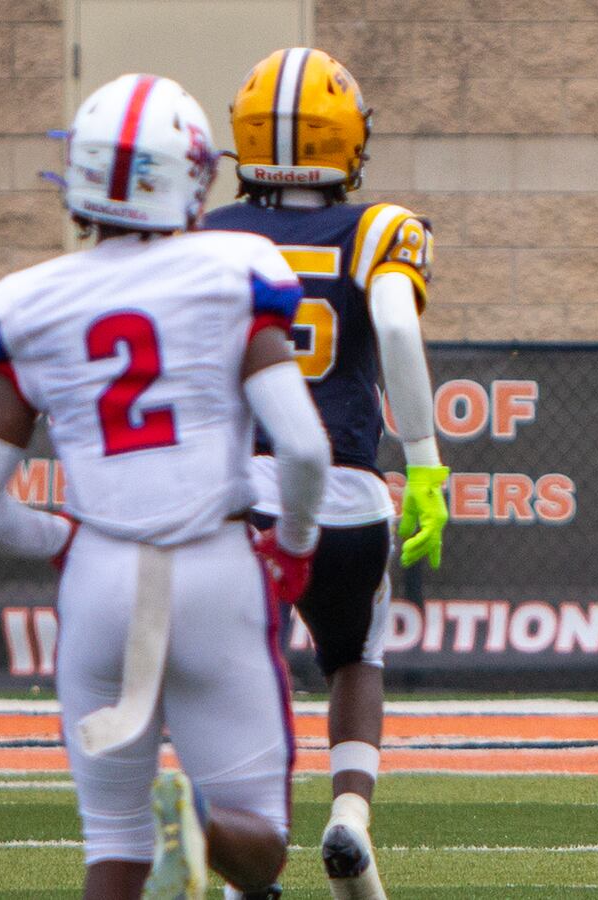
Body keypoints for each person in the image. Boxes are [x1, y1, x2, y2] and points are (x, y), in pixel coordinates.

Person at [0, 73, 329, 900]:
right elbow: (301, 446)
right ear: (189, 174)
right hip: (214, 564)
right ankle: (198, 819)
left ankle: (166, 824)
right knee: (258, 850)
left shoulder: (31, 300)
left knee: (111, 845)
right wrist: (291, 547)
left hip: (101, 576)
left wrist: (63, 539)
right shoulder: (233, 268)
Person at [202, 47, 448, 900]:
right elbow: (400, 332)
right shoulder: (379, 227)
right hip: (345, 491)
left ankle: (243, 869)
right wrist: (424, 464)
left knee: (246, 679)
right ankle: (350, 817)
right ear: (346, 139)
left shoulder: (211, 234)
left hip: (243, 494)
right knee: (355, 659)